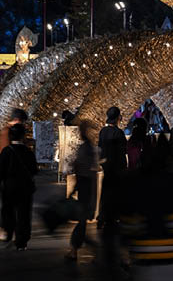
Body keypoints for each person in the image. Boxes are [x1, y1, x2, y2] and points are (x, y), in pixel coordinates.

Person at [0, 123, 37, 250]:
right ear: (23, 136)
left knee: (8, 212)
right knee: (24, 215)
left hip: (10, 187)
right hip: (25, 188)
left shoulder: (7, 151)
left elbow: (0, 172)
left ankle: (8, 235)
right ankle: (22, 241)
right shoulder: (28, 152)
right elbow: (34, 170)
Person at [98, 106, 128, 261]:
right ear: (118, 118)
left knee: (105, 192)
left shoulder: (103, 132)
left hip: (106, 167)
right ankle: (114, 217)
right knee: (116, 194)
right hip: (116, 169)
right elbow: (123, 152)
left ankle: (101, 218)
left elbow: (100, 149)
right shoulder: (118, 133)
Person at [67, 120, 98, 262]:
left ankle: (76, 248)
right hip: (87, 185)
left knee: (83, 219)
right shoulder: (88, 148)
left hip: (84, 184)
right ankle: (76, 248)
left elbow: (79, 166)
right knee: (83, 219)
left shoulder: (85, 148)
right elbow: (87, 169)